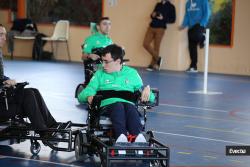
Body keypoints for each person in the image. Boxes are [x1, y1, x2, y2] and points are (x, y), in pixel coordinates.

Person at [78, 44, 155, 142]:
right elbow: (82, 95)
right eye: (102, 61)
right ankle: (121, 137)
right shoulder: (99, 74)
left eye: (106, 62)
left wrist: (147, 90)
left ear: (118, 61)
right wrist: (88, 96)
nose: (102, 65)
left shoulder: (132, 73)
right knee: (118, 105)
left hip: (128, 105)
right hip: (106, 107)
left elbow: (150, 97)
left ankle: (137, 137)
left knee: (130, 108)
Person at [0, 24, 57, 132]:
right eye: (1, 35)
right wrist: (4, 82)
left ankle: (52, 125)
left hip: (3, 97)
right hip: (2, 103)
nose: (5, 38)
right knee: (28, 95)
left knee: (34, 91)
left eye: (5, 35)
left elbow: (0, 76)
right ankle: (43, 131)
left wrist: (6, 80)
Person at [143, 0, 176, 71]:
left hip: (161, 28)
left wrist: (163, 18)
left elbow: (173, 20)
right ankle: (158, 59)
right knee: (145, 44)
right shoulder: (158, 4)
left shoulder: (171, 6)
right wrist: (153, 15)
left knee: (156, 47)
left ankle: (152, 65)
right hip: (151, 26)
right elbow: (152, 15)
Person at [179, 0, 211, 72]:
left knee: (195, 34)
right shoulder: (188, 3)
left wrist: (202, 23)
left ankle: (202, 37)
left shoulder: (203, 1)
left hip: (199, 25)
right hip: (191, 27)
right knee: (192, 47)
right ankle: (193, 66)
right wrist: (183, 25)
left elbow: (207, 13)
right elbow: (187, 15)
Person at [81, 17, 113, 85]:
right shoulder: (91, 39)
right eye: (105, 24)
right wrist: (90, 55)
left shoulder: (109, 41)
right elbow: (83, 57)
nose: (108, 27)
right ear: (98, 27)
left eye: (109, 24)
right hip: (96, 69)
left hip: (109, 69)